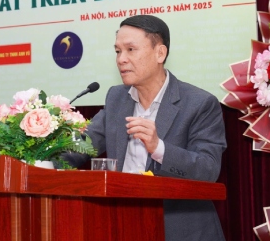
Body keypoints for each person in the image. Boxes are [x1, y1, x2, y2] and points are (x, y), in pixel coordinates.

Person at [64, 15, 226, 240]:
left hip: (178, 230)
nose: (121, 59)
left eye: (131, 49)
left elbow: (208, 170)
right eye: (118, 51)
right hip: (123, 225)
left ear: (160, 53)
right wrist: (37, 155)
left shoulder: (199, 103)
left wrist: (159, 148)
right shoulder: (116, 98)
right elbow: (82, 146)